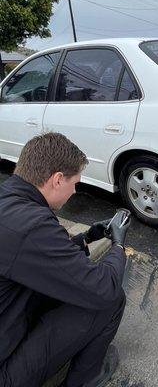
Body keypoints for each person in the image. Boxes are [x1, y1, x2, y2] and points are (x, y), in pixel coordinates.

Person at [0, 132, 130, 387]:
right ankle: (86, 379)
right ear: (58, 180)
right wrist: (118, 246)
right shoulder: (33, 226)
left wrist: (87, 237)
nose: (74, 191)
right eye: (75, 183)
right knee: (110, 300)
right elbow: (103, 288)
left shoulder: (9, 202)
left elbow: (36, 256)